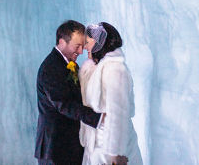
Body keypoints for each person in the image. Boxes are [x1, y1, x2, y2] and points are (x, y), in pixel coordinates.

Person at [36, 20, 103, 165]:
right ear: (62, 42)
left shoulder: (70, 64)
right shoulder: (50, 68)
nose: (81, 51)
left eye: (82, 45)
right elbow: (64, 104)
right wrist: (98, 119)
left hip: (69, 146)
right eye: (77, 46)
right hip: (54, 148)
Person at [79, 22, 143, 165]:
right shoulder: (98, 68)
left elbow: (118, 112)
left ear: (100, 43)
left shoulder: (115, 69)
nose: (85, 47)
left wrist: (116, 152)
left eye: (88, 42)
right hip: (98, 143)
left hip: (111, 145)